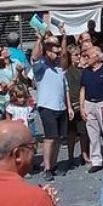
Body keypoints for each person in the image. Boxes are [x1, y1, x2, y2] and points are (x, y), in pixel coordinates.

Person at [31, 36, 72, 179]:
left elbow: (65, 87)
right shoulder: (41, 66)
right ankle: (47, 167)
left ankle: (54, 164)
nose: (58, 54)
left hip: (61, 107)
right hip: (47, 106)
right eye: (55, 51)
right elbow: (34, 57)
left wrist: (64, 38)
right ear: (48, 51)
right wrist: (39, 40)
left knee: (59, 138)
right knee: (49, 138)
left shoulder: (59, 68)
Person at [80, 47, 103, 172]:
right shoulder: (86, 72)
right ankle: (96, 160)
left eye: (88, 56)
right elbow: (83, 89)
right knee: (93, 134)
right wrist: (82, 107)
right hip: (89, 103)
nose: (86, 59)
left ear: (97, 56)